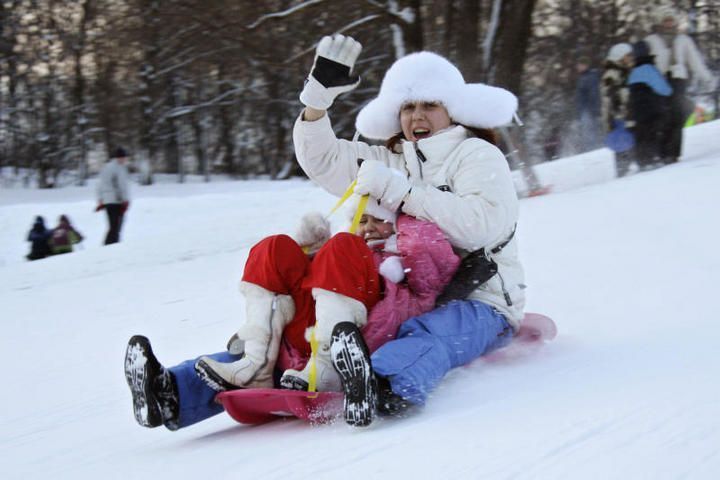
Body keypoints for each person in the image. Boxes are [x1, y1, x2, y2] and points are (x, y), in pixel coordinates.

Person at [293, 35, 525, 426]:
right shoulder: (391, 158)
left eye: (430, 106)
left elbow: (480, 226)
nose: (417, 116)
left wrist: (401, 191)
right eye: (408, 107)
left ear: (452, 111)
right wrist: (316, 102)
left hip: (482, 301)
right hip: (409, 292)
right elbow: (324, 160)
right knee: (307, 312)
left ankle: (382, 383)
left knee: (430, 334)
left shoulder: (477, 155)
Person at [124, 198, 459, 431]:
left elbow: (431, 266)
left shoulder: (408, 266)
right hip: (304, 344)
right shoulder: (341, 250)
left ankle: (330, 367)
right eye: (363, 220)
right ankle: (173, 390)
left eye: (379, 221)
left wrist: (401, 235)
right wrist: (311, 254)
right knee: (273, 248)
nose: (368, 228)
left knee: (342, 246)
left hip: (361, 341)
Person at [645, 6, 716, 164]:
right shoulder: (651, 41)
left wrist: (708, 78)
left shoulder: (683, 40)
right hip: (659, 81)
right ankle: (661, 152)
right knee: (663, 117)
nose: (669, 23)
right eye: (666, 20)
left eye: (671, 20)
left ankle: (674, 153)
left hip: (678, 80)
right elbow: (644, 63)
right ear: (660, 22)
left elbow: (695, 61)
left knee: (678, 115)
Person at [628, 41, 673, 170]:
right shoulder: (649, 68)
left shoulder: (633, 72)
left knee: (641, 134)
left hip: (637, 111)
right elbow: (665, 90)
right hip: (652, 109)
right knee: (655, 132)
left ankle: (642, 160)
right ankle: (655, 158)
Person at [601, 42, 635, 176]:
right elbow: (608, 95)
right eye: (628, 55)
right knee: (622, 146)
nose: (631, 58)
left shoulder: (624, 71)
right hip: (618, 117)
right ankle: (623, 174)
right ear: (620, 57)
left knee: (628, 144)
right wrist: (617, 111)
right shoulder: (612, 73)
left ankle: (626, 171)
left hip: (625, 114)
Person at [96, 147, 130, 244]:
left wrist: (100, 200)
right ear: (120, 157)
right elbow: (121, 185)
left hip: (107, 201)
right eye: (123, 158)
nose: (124, 160)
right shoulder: (119, 168)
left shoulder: (106, 167)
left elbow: (99, 185)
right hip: (116, 201)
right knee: (116, 227)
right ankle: (111, 246)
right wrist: (125, 200)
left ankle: (109, 245)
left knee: (112, 226)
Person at [575, 56, 603, 151]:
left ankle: (592, 150)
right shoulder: (583, 77)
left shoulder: (590, 77)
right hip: (585, 109)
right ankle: (591, 149)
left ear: (585, 65)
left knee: (590, 132)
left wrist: (594, 109)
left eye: (579, 65)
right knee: (588, 132)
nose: (577, 67)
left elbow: (593, 94)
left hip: (588, 109)